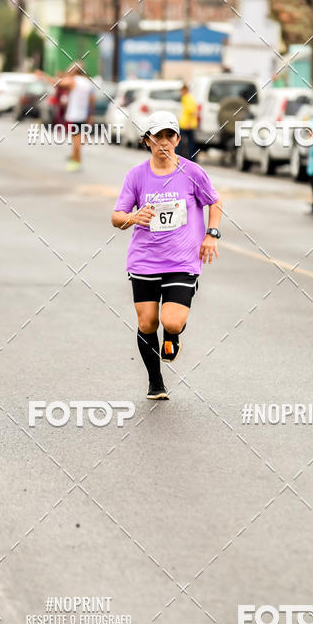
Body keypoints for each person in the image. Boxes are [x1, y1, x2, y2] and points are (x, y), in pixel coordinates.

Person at [111, 110, 222, 400]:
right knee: (147, 322)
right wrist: (134, 218)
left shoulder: (192, 172)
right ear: (146, 141)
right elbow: (117, 217)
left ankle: (172, 336)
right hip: (144, 259)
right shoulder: (136, 176)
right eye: (156, 136)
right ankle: (155, 382)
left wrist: (211, 235)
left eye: (168, 135)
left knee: (170, 322)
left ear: (177, 138)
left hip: (182, 260)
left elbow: (215, 202)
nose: (163, 142)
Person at [178, 84, 198, 160]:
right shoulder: (188, 98)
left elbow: (191, 112)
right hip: (187, 124)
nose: (181, 93)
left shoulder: (187, 99)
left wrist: (189, 123)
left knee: (179, 142)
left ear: (185, 90)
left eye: (182, 91)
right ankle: (192, 158)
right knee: (191, 143)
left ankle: (178, 157)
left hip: (186, 125)